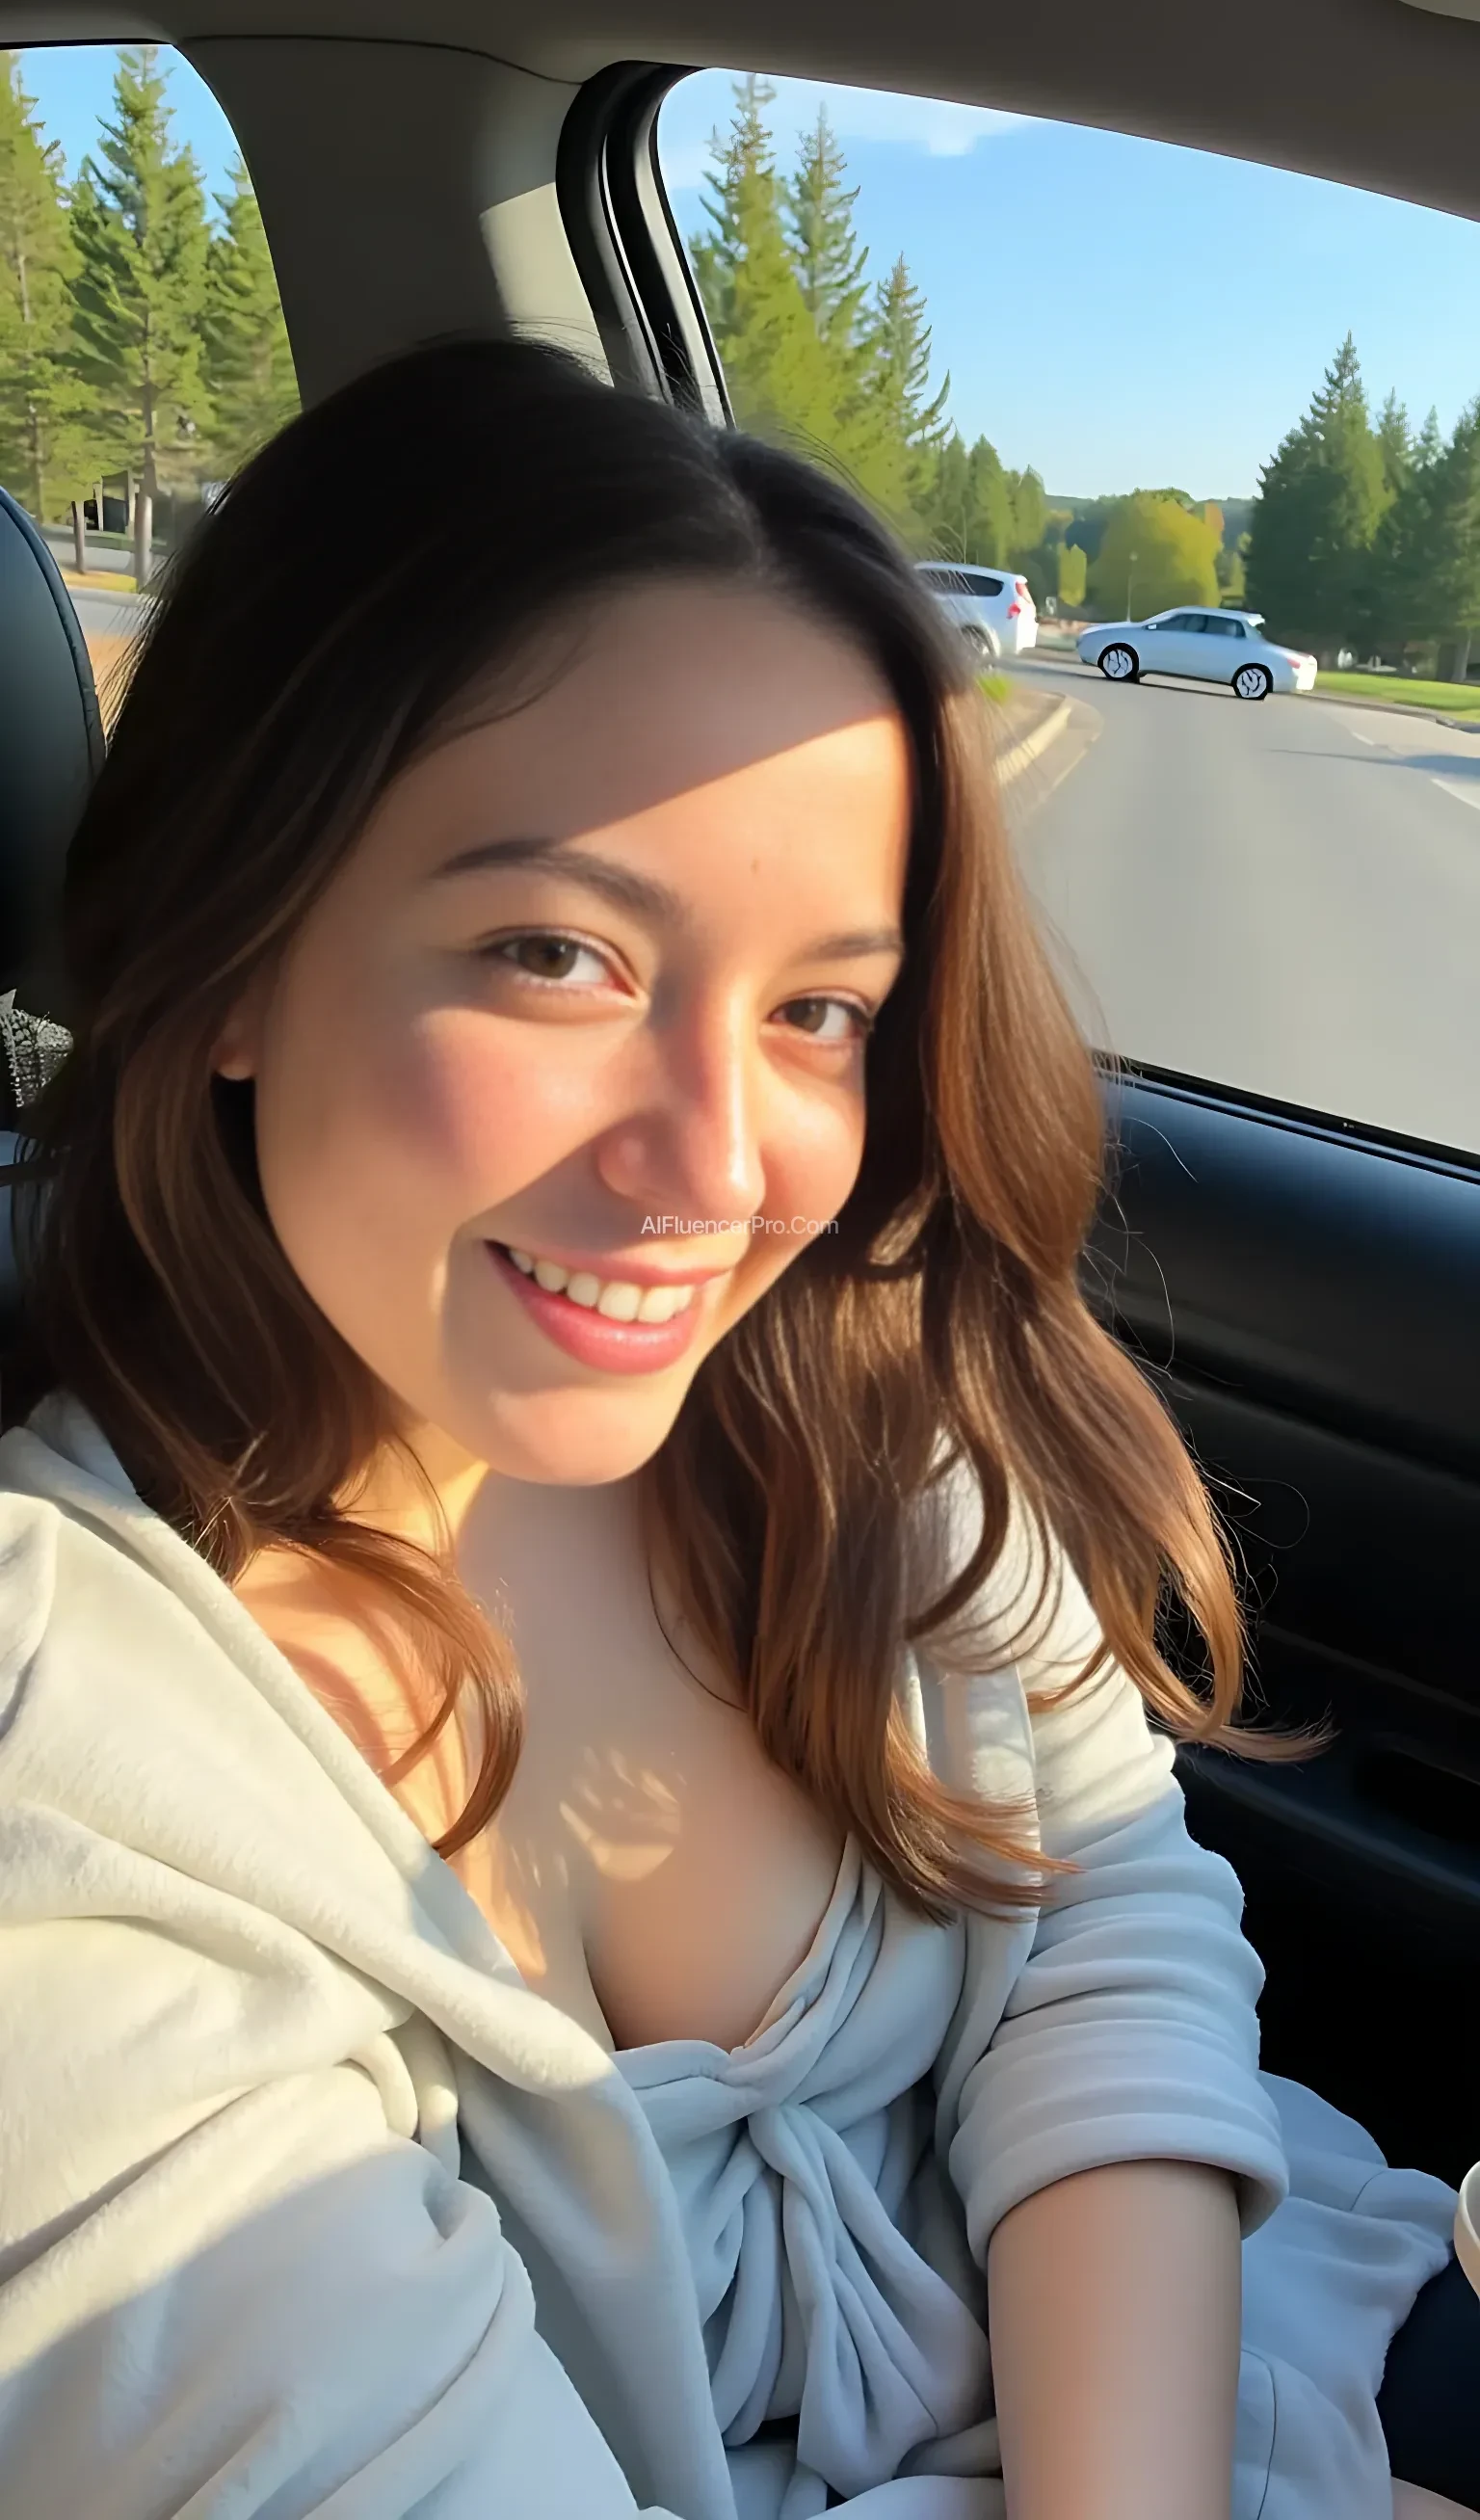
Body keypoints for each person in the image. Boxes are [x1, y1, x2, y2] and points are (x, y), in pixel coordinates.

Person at [0, 333, 1471, 2520]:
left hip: (1267, 2363)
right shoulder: (73, 1765)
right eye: (552, 954)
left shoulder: (834, 1388)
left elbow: (1103, 1928)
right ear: (231, 956)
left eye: (818, 1013)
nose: (719, 1164)